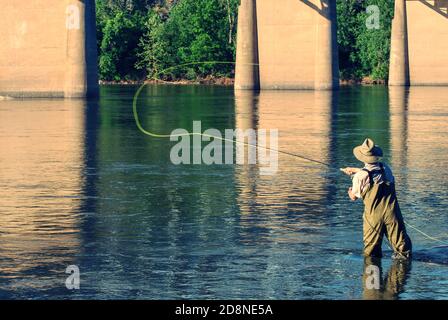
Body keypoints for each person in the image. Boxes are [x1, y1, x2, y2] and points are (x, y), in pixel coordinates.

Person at [342, 138, 412, 259]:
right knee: (403, 249)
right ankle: (401, 274)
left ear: (362, 157)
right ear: (376, 156)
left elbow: (354, 197)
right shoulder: (386, 168)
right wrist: (355, 170)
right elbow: (374, 173)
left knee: (372, 252)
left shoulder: (359, 176)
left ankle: (373, 275)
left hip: (373, 216)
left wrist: (350, 189)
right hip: (392, 213)